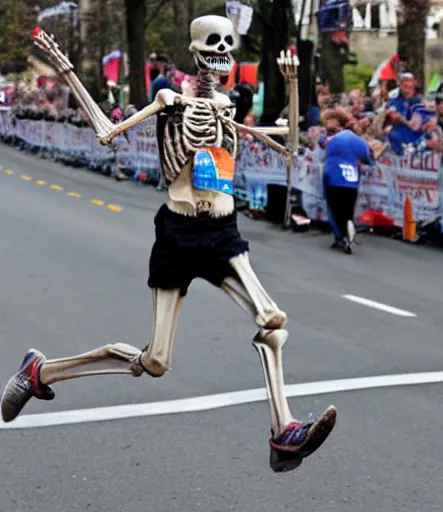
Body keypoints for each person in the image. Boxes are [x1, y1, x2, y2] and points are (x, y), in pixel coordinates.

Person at [2, 20, 338, 474]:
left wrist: (295, 86)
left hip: (222, 230)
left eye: (227, 43)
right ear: (197, 50)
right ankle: (42, 372)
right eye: (213, 42)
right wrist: (65, 68)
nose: (221, 51)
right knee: (156, 361)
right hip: (179, 231)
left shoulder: (227, 107)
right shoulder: (169, 100)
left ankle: (284, 433)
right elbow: (106, 131)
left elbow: (292, 146)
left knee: (272, 321)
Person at [322, 113, 376, 254]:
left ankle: (340, 236)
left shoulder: (333, 139)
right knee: (347, 210)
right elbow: (368, 158)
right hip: (351, 179)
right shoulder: (358, 141)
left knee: (334, 208)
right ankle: (348, 232)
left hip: (332, 175)